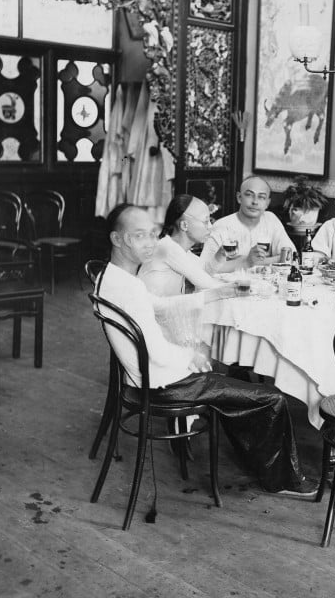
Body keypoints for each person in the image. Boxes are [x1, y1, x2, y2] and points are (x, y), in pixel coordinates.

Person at [94, 203, 317, 497]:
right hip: (164, 384)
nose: (150, 243)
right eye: (139, 236)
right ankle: (284, 481)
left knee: (239, 389)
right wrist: (192, 357)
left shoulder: (112, 277)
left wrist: (218, 293)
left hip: (144, 376)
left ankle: (259, 462)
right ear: (117, 239)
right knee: (272, 398)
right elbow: (157, 351)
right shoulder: (129, 288)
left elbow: (160, 306)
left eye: (152, 234)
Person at [200, 176, 295, 273]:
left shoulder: (271, 219)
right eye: (249, 195)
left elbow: (290, 255)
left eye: (261, 197)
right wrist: (247, 261)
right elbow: (205, 269)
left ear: (267, 203)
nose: (255, 202)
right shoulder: (221, 226)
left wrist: (255, 262)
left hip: (265, 286)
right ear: (239, 198)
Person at [138, 194, 225, 298]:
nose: (210, 227)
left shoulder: (181, 250)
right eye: (206, 222)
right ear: (184, 225)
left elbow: (204, 271)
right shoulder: (167, 248)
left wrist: (220, 256)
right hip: (152, 312)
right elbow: (206, 283)